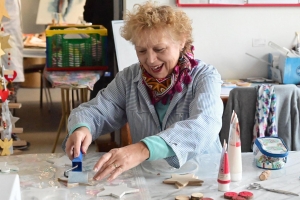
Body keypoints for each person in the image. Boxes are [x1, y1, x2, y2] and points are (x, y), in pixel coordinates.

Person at [64, 1, 223, 182]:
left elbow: (205, 125)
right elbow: (98, 110)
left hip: (203, 178)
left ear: (181, 41)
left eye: (159, 49)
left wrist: (143, 148)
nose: (151, 60)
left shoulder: (204, 76)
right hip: (153, 179)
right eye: (141, 50)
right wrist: (82, 126)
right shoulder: (129, 78)